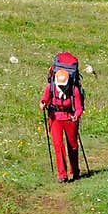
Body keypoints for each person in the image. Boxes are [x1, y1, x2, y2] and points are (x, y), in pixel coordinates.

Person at [40, 52, 84, 182]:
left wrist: (77, 115)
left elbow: (79, 106)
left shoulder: (74, 89)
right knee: (58, 146)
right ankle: (62, 175)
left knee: (73, 146)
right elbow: (44, 99)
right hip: (55, 119)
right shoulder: (50, 87)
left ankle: (75, 171)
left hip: (70, 118)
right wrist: (42, 103)